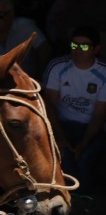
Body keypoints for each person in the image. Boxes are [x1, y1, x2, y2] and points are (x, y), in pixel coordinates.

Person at [43, 26, 106, 193]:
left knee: (84, 159)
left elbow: (99, 116)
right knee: (65, 155)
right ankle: (73, 201)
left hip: (93, 129)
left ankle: (83, 201)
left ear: (96, 49)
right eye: (74, 45)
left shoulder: (104, 73)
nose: (78, 50)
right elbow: (49, 106)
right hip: (62, 125)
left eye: (84, 46)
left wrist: (84, 143)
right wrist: (60, 136)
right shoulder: (57, 67)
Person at [0, 0, 51, 78]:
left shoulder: (25, 27)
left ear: (11, 14)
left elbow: (45, 50)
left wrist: (42, 76)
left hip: (29, 84)